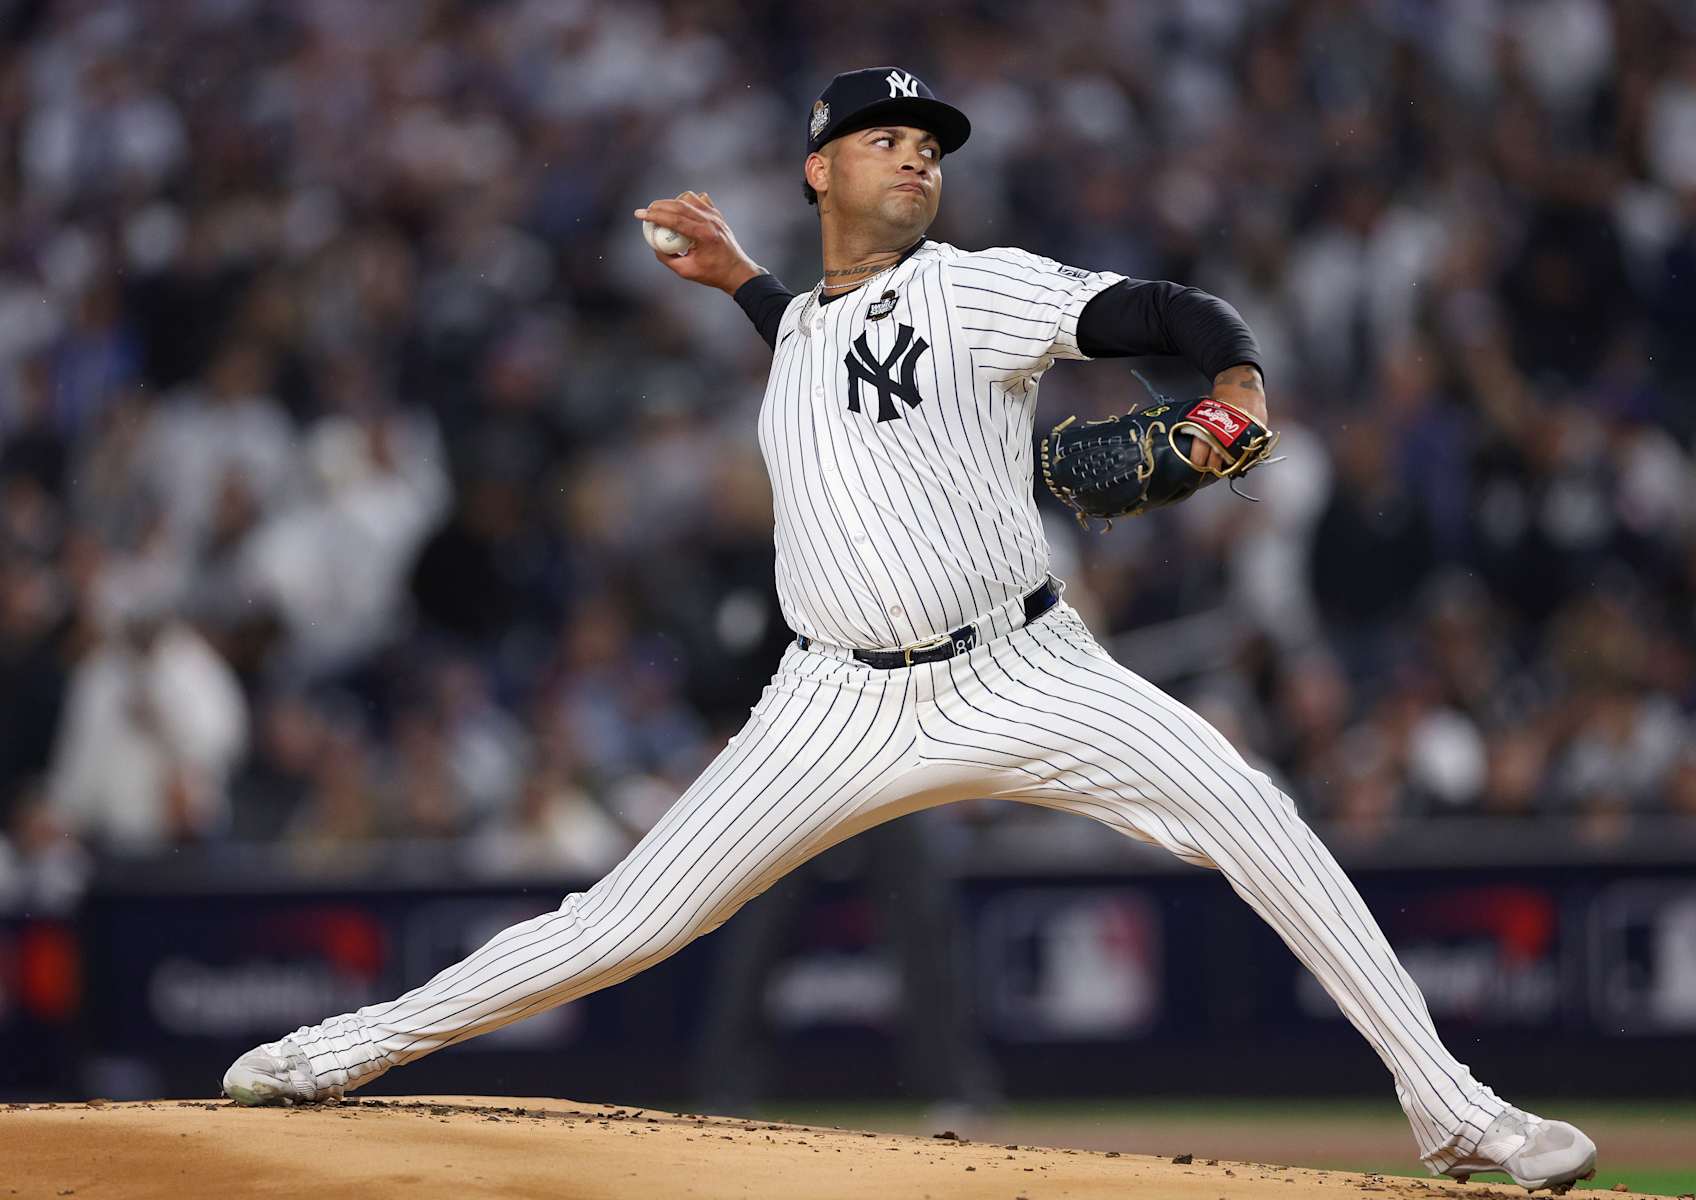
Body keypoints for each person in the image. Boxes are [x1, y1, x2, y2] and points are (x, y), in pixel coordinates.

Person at [225, 67, 1596, 1191]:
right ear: (820, 170)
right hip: (826, 703)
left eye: (929, 145)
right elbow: (817, 334)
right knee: (618, 923)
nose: (917, 159)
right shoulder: (802, 330)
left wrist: (1232, 377)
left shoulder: (971, 285)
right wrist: (744, 280)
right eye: (885, 140)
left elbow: (1165, 314)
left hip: (1022, 667)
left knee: (1251, 810)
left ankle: (1456, 1109)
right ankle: (340, 1049)